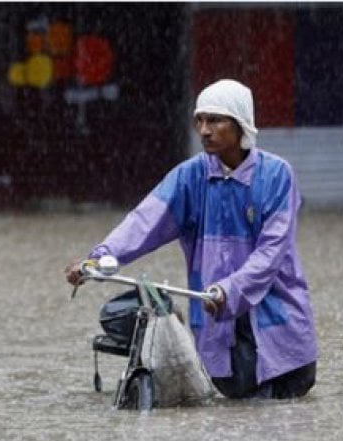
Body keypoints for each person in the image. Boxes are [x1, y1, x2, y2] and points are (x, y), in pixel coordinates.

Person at [66, 79, 318, 400]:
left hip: (281, 331)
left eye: (215, 120)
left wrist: (229, 290)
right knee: (236, 410)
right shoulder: (189, 177)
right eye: (199, 120)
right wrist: (99, 259)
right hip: (218, 327)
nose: (204, 130)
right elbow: (144, 222)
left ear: (240, 124)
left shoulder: (277, 175)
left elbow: (270, 254)